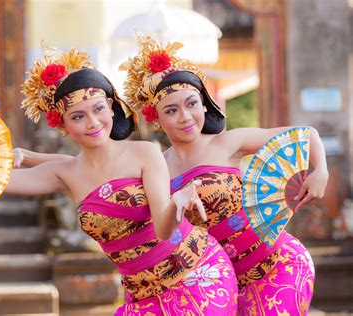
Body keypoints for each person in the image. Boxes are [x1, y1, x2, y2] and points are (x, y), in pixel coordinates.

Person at [0, 45, 238, 315]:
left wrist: (179, 201)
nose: (92, 123)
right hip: (142, 294)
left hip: (198, 276)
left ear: (112, 109)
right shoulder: (65, 174)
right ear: (61, 125)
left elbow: (163, 227)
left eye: (98, 109)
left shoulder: (145, 153)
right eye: (78, 116)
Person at [119, 34, 328, 315]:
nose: (185, 116)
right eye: (171, 110)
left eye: (192, 103)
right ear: (155, 117)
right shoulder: (154, 165)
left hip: (277, 263)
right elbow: (87, 168)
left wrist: (321, 172)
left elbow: (305, 135)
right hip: (214, 281)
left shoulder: (229, 142)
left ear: (204, 103)